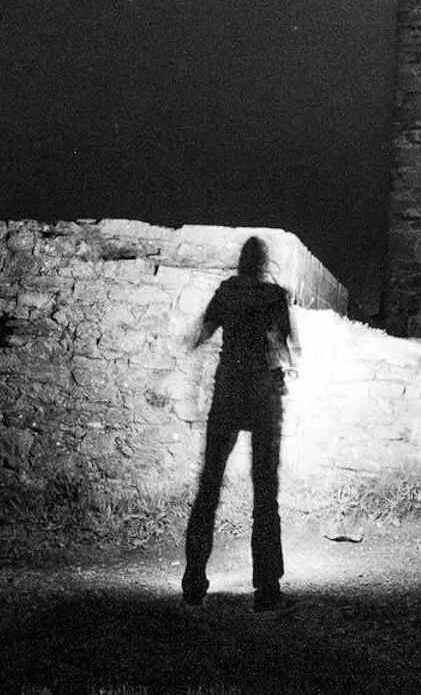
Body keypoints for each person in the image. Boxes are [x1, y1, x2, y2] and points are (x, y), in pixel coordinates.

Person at [182, 235, 298, 612]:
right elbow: (281, 345)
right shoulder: (274, 296)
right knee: (265, 492)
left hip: (229, 389)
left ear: (240, 262)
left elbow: (202, 333)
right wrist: (289, 364)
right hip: (262, 393)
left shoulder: (227, 291)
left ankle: (194, 581)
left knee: (209, 485)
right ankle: (267, 588)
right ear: (265, 264)